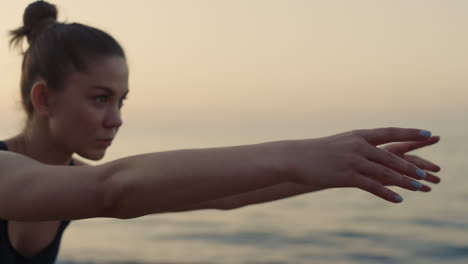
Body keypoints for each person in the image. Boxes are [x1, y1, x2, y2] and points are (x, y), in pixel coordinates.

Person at [0, 1, 442, 263]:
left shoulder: (71, 179)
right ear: (44, 100)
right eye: (100, 98)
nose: (115, 118)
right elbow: (111, 190)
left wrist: (344, 170)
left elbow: (222, 194)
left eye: (121, 101)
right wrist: (295, 154)